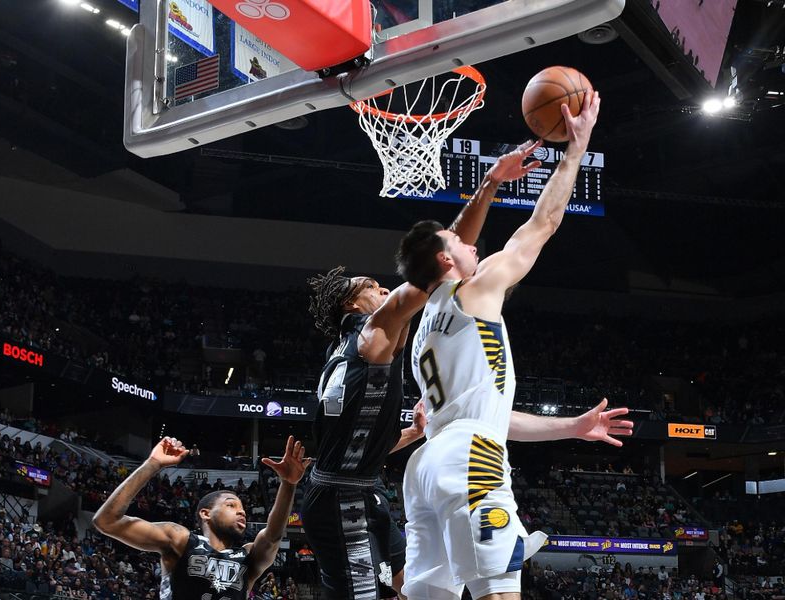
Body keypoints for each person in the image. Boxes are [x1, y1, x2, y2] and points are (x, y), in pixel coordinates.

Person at [395, 89, 634, 600]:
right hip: (469, 459)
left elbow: (489, 415)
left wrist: (573, 427)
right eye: (456, 241)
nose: (469, 241)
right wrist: (576, 149)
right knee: (500, 594)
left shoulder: (422, 333)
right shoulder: (473, 289)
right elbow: (540, 227)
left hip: (426, 468)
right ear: (444, 263)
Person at [303, 139, 545, 600]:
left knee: (412, 587)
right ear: (354, 303)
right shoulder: (373, 331)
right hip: (341, 497)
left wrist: (408, 437)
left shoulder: (340, 353)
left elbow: (351, 442)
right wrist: (490, 183)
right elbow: (442, 259)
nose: (382, 288)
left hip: (357, 485)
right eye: (372, 286)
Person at [92, 435, 309, 600]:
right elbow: (106, 521)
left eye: (242, 507)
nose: (241, 511)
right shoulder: (180, 539)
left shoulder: (248, 556)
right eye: (231, 505)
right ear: (205, 513)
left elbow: (272, 536)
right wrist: (152, 465)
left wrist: (288, 485)